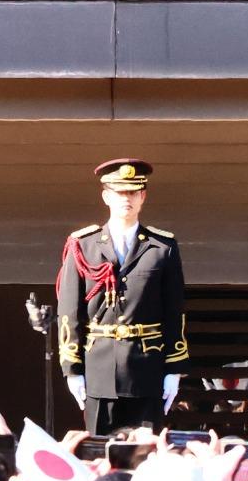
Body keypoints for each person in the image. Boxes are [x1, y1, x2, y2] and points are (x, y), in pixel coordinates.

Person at [55, 159, 188, 434]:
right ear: (106, 197)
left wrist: (174, 369)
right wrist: (72, 368)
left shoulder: (162, 247)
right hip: (99, 369)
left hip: (147, 369)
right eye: (119, 192)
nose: (126, 198)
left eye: (133, 192)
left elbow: (174, 311)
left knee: (145, 451)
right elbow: (69, 311)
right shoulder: (83, 245)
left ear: (143, 197)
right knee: (99, 451)